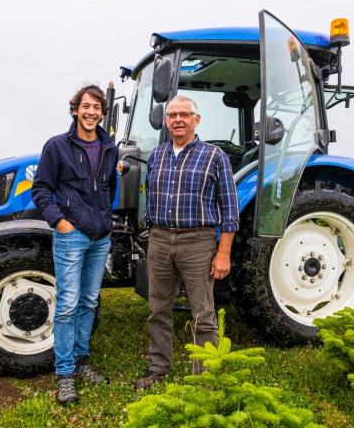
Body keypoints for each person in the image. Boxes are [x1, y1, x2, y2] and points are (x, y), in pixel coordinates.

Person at [134, 95, 239, 390]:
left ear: (196, 119)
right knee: (158, 309)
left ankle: (205, 379)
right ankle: (158, 368)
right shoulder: (157, 155)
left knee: (203, 312)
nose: (177, 119)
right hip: (160, 238)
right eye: (172, 115)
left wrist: (223, 253)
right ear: (166, 121)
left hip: (197, 241)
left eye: (184, 114)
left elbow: (230, 210)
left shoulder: (214, 156)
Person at [31, 85, 118, 405]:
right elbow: (40, 190)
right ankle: (65, 373)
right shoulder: (57, 147)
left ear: (102, 112)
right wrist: (60, 222)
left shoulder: (110, 149)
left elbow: (109, 188)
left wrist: (106, 221)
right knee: (67, 305)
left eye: (97, 107)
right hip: (72, 235)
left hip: (100, 237)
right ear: (75, 110)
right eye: (86, 106)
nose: (91, 112)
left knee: (89, 302)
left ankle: (82, 361)